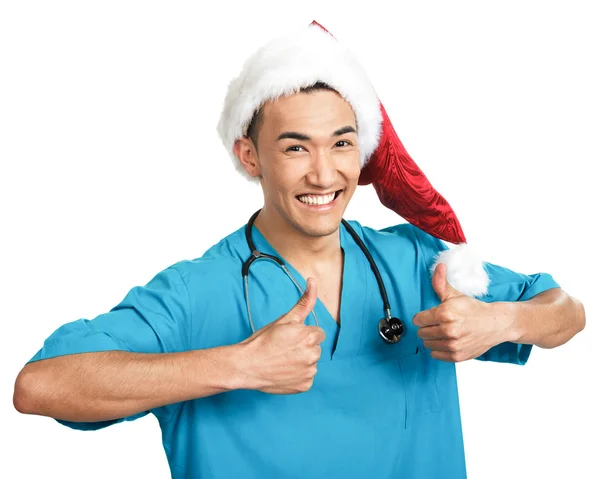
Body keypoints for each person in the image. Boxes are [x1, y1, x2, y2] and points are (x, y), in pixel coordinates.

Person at [13, 21, 585, 478]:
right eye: (295, 148)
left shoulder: (415, 261)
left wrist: (501, 321)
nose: (323, 172)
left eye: (341, 143)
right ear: (249, 156)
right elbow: (40, 386)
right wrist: (237, 364)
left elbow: (566, 312)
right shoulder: (196, 291)